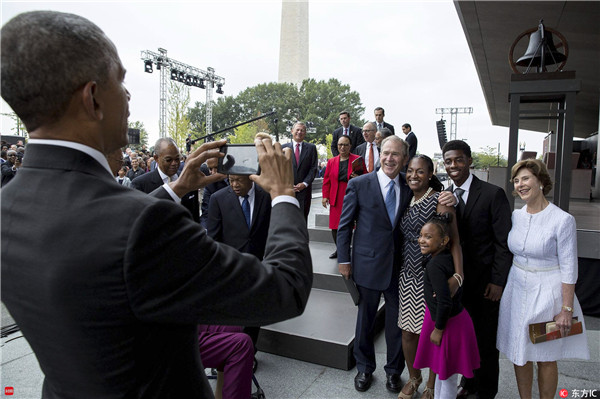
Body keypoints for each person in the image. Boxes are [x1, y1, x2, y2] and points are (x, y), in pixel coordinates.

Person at [1, 10, 312, 398]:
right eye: (121, 80)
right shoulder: (145, 224)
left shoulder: (7, 206)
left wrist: (176, 187)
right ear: (92, 98)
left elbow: (103, 231)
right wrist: (283, 194)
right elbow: (285, 290)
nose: (129, 95)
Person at [497, 159, 589, 399]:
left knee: (545, 355)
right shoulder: (516, 215)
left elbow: (570, 266)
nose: (520, 185)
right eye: (516, 181)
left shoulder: (562, 220)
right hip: (516, 290)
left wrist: (566, 309)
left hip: (548, 295)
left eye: (525, 178)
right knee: (519, 352)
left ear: (540, 181)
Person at [337, 135, 411, 393]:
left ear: (404, 159)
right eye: (386, 153)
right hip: (367, 265)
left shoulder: (409, 185)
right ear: (380, 154)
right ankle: (364, 368)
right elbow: (345, 225)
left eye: (396, 154)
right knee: (365, 322)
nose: (390, 158)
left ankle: (393, 372)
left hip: (400, 268)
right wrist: (344, 259)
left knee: (396, 324)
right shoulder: (360, 184)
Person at [442, 140, 512, 399]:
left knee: (485, 340)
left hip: (485, 284)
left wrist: (498, 281)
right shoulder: (446, 195)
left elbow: (503, 242)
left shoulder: (493, 193)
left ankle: (485, 390)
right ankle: (468, 382)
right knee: (463, 339)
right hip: (458, 283)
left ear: (469, 161)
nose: (453, 166)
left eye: (458, 160)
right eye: (448, 161)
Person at [397, 155, 462, 399]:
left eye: (420, 171)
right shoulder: (406, 198)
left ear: (431, 173)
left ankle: (431, 386)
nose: (414, 175)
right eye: (410, 171)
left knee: (434, 334)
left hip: (432, 280)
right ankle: (414, 378)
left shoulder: (440, 200)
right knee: (407, 333)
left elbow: (454, 241)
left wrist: (459, 275)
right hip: (407, 276)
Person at [413, 214, 480, 399]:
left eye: (428, 237)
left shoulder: (435, 265)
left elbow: (444, 301)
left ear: (443, 241)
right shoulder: (443, 258)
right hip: (455, 321)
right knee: (444, 373)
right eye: (421, 235)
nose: (422, 240)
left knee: (448, 375)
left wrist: (438, 329)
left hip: (450, 325)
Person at [132, 137, 201, 223]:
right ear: (156, 158)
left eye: (177, 159)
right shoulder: (140, 184)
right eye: (169, 160)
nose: (174, 164)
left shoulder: (188, 179)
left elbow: (195, 216)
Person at [322, 135, 365, 259]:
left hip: (351, 195)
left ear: (350, 146)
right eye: (340, 144)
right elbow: (326, 180)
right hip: (336, 196)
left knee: (350, 225)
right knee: (335, 227)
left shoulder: (357, 160)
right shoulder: (331, 161)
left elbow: (367, 176)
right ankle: (340, 250)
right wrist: (325, 196)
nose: (343, 147)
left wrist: (358, 178)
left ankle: (349, 249)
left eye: (346, 144)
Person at [282, 122, 318, 222]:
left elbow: (313, 168)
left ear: (305, 133)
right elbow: (280, 168)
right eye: (297, 130)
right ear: (292, 131)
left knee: (302, 220)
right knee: (287, 220)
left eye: (302, 130)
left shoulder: (311, 148)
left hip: (304, 191)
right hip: (287, 190)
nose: (299, 132)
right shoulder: (283, 148)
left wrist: (304, 183)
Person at [200, 157, 229, 229]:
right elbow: (206, 214)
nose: (212, 172)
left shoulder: (242, 178)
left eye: (216, 167)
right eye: (210, 169)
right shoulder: (210, 186)